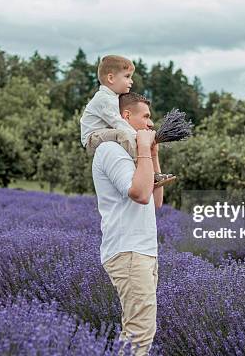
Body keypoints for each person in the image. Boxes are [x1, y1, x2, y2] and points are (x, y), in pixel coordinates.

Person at [92, 92, 162, 356]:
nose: (150, 123)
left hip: (142, 251)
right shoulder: (111, 150)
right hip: (129, 251)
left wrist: (153, 153)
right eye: (145, 116)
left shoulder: (135, 154)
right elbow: (140, 194)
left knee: (139, 329)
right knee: (139, 332)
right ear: (126, 116)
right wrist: (144, 149)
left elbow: (156, 201)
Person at [81, 54, 176, 188]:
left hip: (103, 133)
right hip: (92, 138)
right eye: (127, 76)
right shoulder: (103, 99)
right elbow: (118, 122)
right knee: (123, 135)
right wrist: (139, 138)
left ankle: (144, 171)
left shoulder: (114, 98)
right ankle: (143, 171)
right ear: (111, 78)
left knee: (124, 136)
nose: (131, 81)